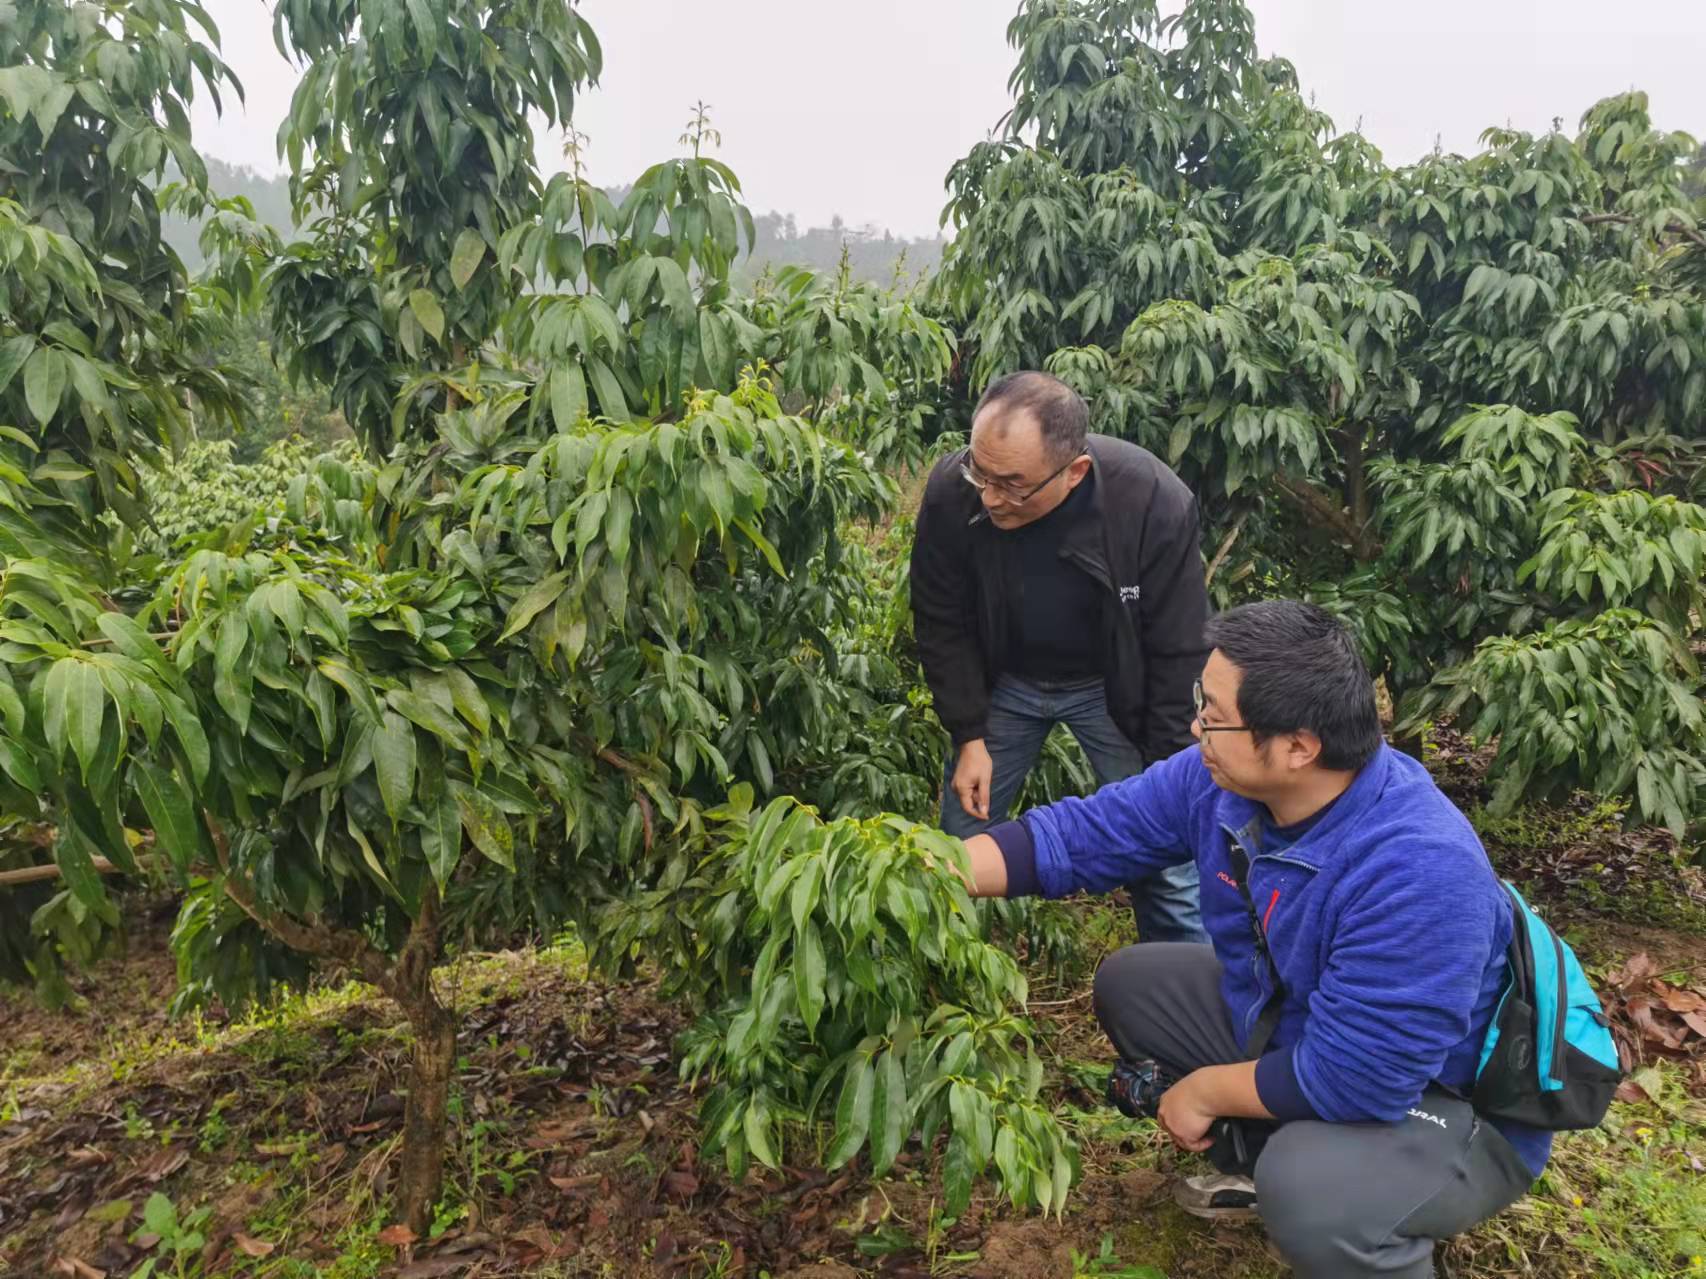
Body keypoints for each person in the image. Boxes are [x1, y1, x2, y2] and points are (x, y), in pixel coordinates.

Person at [954, 600, 1545, 1279]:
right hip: (1320, 1031)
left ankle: (1362, 1217)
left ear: (1298, 745)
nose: (1196, 724)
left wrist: (1207, 1090)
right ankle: (1280, 1154)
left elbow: (1362, 1077)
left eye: (1214, 714)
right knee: (1136, 986)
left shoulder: (1418, 864)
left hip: (1450, 1104)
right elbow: (1087, 834)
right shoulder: (1223, 782)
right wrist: (938, 870)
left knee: (1308, 1191)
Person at [910, 370, 1210, 944]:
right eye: (981, 472)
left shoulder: (1149, 502)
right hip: (1008, 683)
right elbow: (940, 617)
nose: (991, 496)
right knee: (959, 838)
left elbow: (1179, 651)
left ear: (1074, 472)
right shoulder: (957, 490)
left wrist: (1171, 770)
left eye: (1013, 484)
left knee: (1166, 852)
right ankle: (947, 972)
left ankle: (1184, 991)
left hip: (1111, 687)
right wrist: (969, 734)